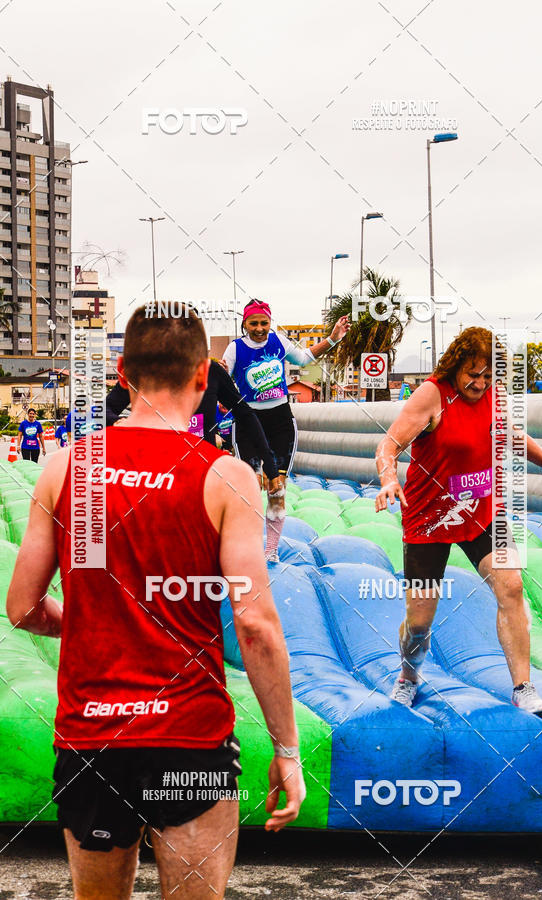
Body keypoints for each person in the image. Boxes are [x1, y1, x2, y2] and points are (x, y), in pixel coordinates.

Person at [6, 305, 305, 899]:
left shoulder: (71, 467)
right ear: (203, 375)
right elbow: (256, 626)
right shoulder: (225, 476)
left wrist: (92, 624)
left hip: (93, 735)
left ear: (122, 372)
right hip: (187, 737)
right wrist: (287, 750)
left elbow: (22, 608)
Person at [375, 327, 542, 715]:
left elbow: (509, 434)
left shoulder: (493, 395)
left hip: (481, 510)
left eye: (488, 375)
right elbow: (388, 444)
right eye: (473, 374)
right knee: (419, 623)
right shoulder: (432, 394)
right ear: (455, 366)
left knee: (512, 586)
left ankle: (523, 687)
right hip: (430, 516)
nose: (480, 383)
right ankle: (407, 677)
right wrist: (388, 479)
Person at [223, 300, 350, 563]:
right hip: (248, 422)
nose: (259, 328)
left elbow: (305, 358)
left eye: (264, 323)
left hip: (280, 422)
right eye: (253, 323)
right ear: (244, 324)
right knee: (250, 485)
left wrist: (333, 338)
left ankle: (271, 551)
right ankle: (243, 545)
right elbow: (222, 378)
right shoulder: (235, 348)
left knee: (277, 488)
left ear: (270, 322)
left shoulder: (279, 341)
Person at [104, 358, 279, 482]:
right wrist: (118, 421)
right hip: (156, 474)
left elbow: (245, 414)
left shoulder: (211, 371)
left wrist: (270, 465)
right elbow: (103, 410)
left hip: (202, 474)